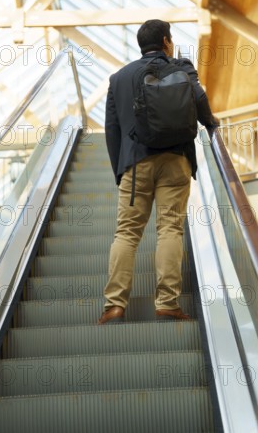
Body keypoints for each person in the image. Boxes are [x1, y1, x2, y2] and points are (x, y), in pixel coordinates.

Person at [98, 19, 218, 324]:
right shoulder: (180, 67)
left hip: (135, 164)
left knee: (126, 233)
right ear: (166, 41)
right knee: (170, 229)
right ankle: (167, 303)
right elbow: (200, 101)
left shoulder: (120, 78)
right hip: (175, 159)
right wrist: (213, 128)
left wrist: (120, 169)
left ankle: (114, 305)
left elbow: (111, 130)